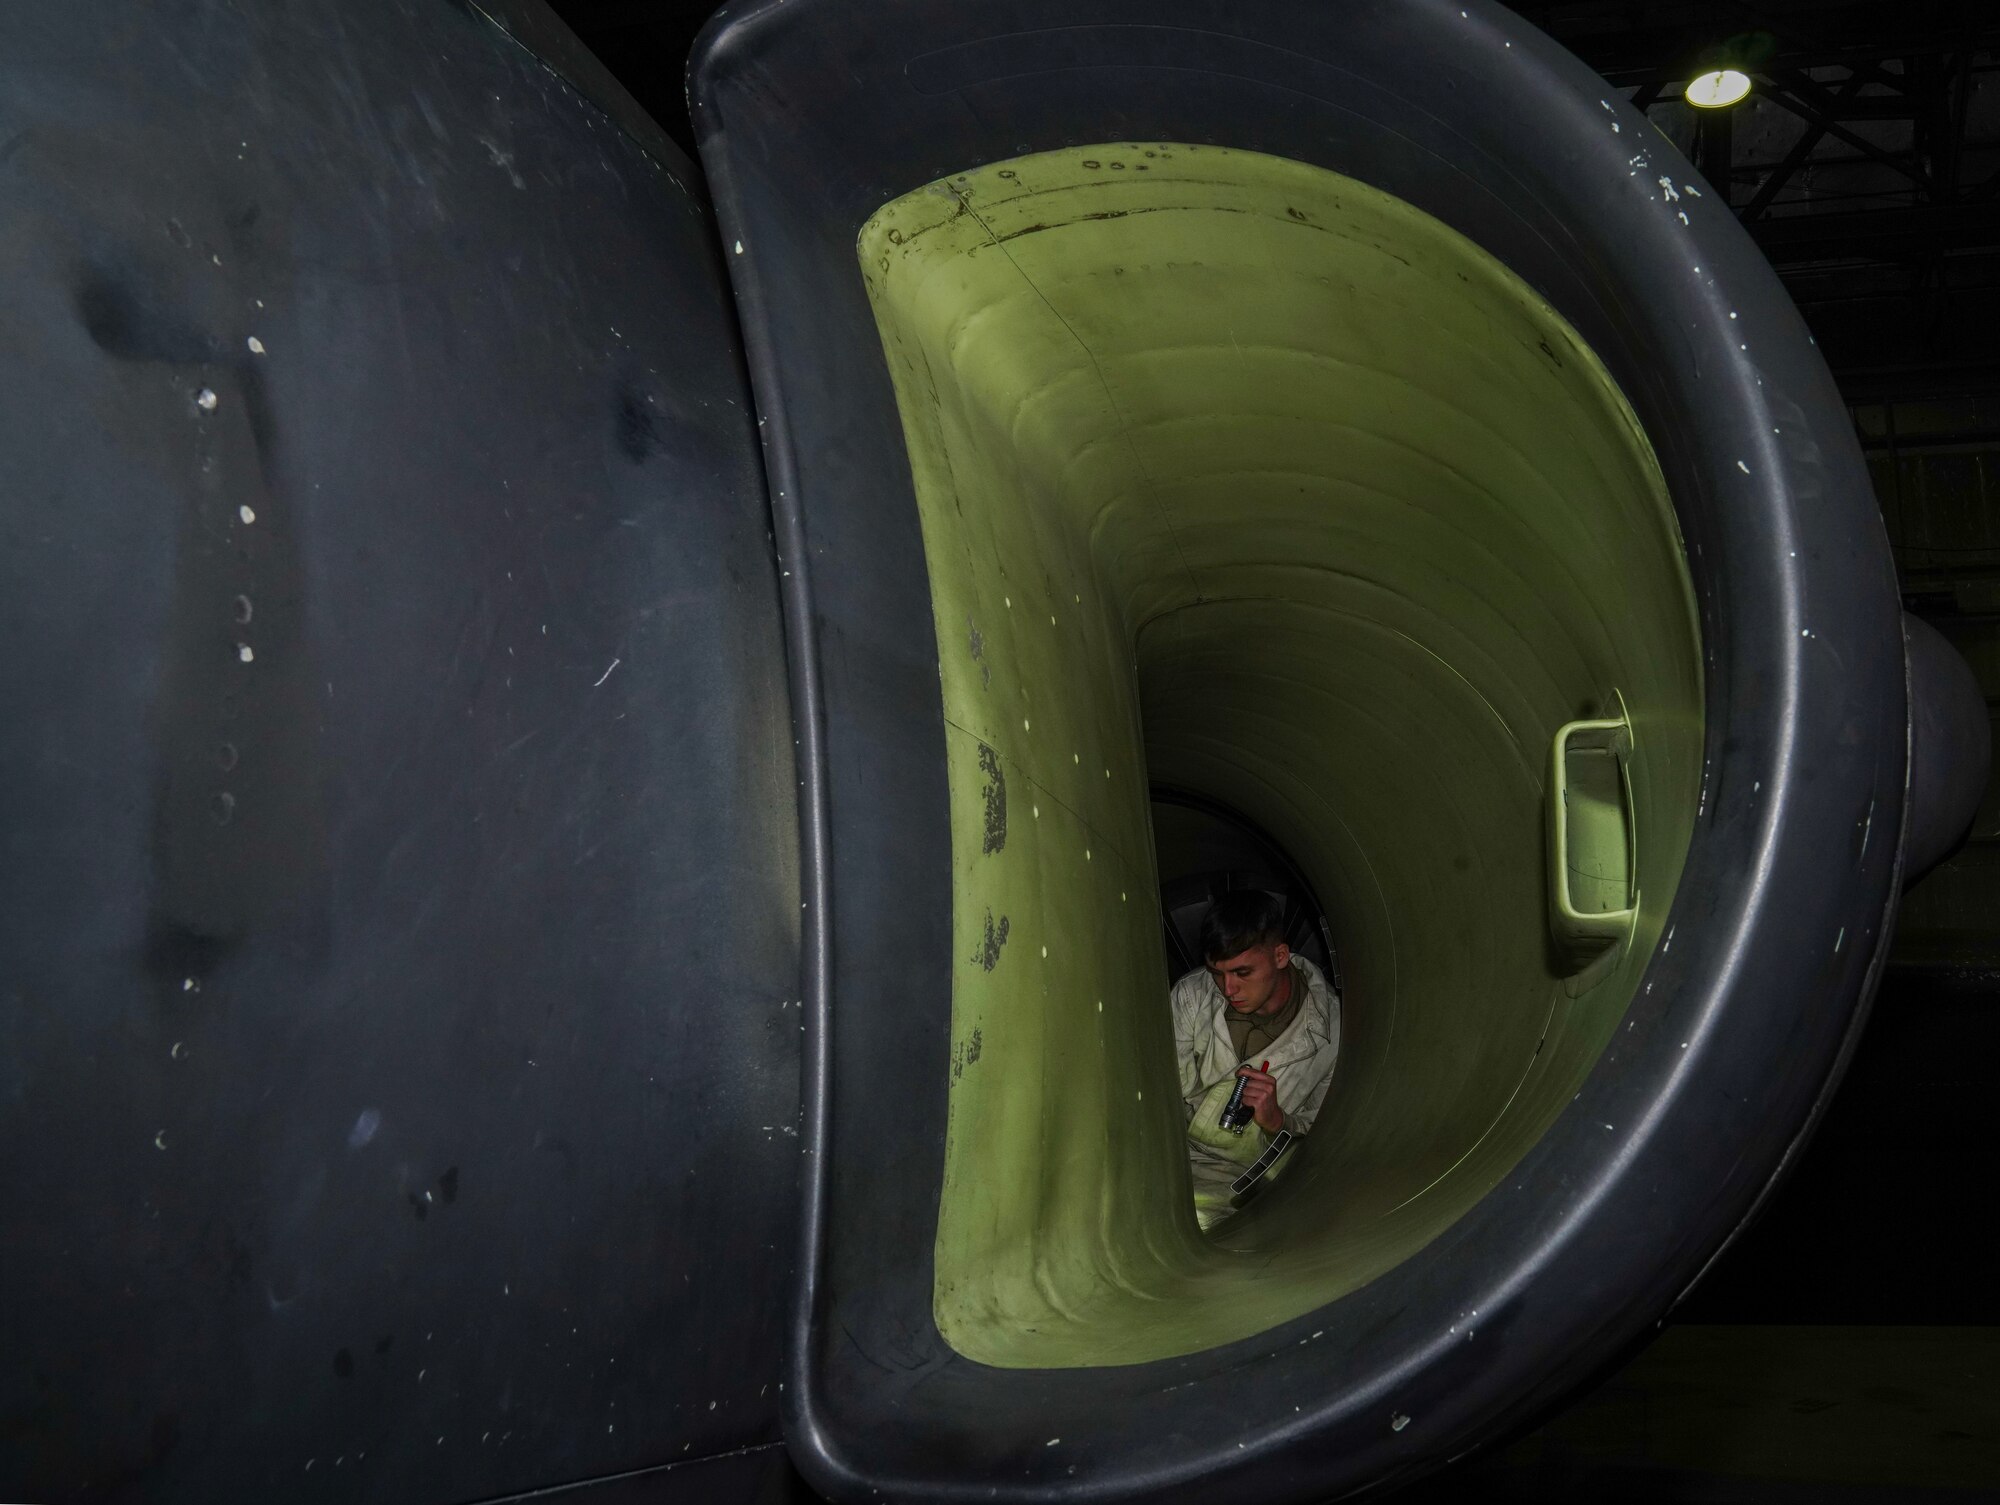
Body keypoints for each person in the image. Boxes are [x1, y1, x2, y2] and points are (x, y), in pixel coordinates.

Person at [1170, 890, 1340, 1228]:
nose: (1227, 988)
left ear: (1280, 956)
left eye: (1242, 973)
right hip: (1173, 1157)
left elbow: (1324, 1144)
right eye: (1217, 973)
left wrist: (1277, 1121)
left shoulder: (1331, 1033)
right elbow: (1157, 1089)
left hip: (1242, 1181)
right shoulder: (1192, 996)